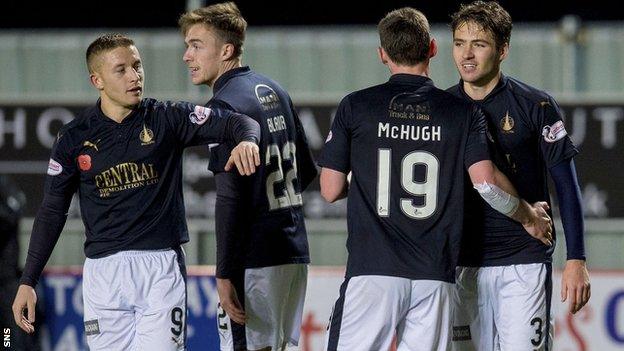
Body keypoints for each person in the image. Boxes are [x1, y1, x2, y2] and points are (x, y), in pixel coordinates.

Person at [318, 7, 553, 351]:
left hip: (373, 271)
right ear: (432, 48)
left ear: (382, 54)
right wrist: (528, 216)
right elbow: (486, 185)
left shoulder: (357, 106)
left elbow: (330, 189)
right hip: (436, 276)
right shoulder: (460, 112)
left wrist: (372, 178)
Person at [11, 33, 261, 351]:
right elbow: (51, 211)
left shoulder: (166, 118)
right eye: (121, 69)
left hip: (160, 268)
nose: (134, 76)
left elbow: (240, 122)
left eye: (137, 66)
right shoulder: (74, 137)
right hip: (104, 273)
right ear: (97, 80)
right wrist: (28, 281)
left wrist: (248, 141)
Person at [447, 2, 591, 350]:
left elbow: (567, 186)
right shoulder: (443, 108)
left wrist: (576, 259)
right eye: (459, 43)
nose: (467, 54)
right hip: (462, 265)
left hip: (523, 261)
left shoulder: (535, 105)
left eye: (478, 44)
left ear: (502, 50)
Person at [179, 3, 317, 351]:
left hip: (254, 260)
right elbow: (306, 172)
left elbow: (229, 198)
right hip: (293, 252)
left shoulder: (223, 107)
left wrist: (224, 273)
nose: (186, 56)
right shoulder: (275, 90)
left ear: (226, 50)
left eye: (196, 45)